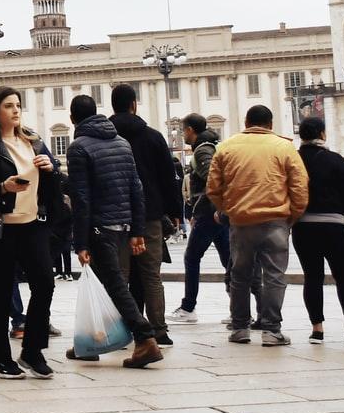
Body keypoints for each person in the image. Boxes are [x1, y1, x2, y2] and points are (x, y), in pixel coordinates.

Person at [0, 87, 57, 378]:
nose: (16, 110)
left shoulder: (35, 143)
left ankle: (32, 350)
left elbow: (52, 186)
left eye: (18, 105)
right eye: (8, 106)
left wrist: (51, 169)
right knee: (2, 291)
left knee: (45, 283)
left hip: (31, 223)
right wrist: (3, 188)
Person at [66, 93, 160, 369]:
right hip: (122, 224)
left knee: (116, 285)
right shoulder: (121, 142)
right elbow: (136, 188)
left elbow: (81, 198)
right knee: (110, 284)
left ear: (72, 119)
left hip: (98, 227)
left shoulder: (79, 147)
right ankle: (93, 341)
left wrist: (80, 241)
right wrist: (137, 230)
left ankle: (145, 339)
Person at [207, 104, 309, 347]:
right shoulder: (284, 147)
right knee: (274, 276)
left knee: (240, 275)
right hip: (275, 220)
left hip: (241, 221)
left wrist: (229, 209)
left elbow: (213, 187)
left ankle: (240, 327)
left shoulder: (226, 147)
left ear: (246, 123)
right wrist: (291, 216)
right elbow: (300, 187)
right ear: (270, 124)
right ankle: (271, 330)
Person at [110, 84, 183, 346]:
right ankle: (158, 330)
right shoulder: (152, 137)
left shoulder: (105, 138)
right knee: (151, 275)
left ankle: (123, 328)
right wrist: (175, 211)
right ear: (134, 105)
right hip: (150, 215)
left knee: (120, 275)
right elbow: (168, 177)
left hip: (115, 216)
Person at [294, 115, 344, 343]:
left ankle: (317, 329)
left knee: (313, 277)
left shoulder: (294, 160)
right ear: (323, 134)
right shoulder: (334, 160)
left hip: (303, 226)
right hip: (333, 225)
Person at [170, 114, 229, 324]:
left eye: (182, 130)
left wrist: (203, 209)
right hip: (216, 211)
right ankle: (241, 308)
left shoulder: (203, 149)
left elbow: (213, 180)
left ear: (190, 130)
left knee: (192, 257)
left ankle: (188, 307)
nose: (181, 134)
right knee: (228, 259)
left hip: (208, 212)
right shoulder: (211, 144)